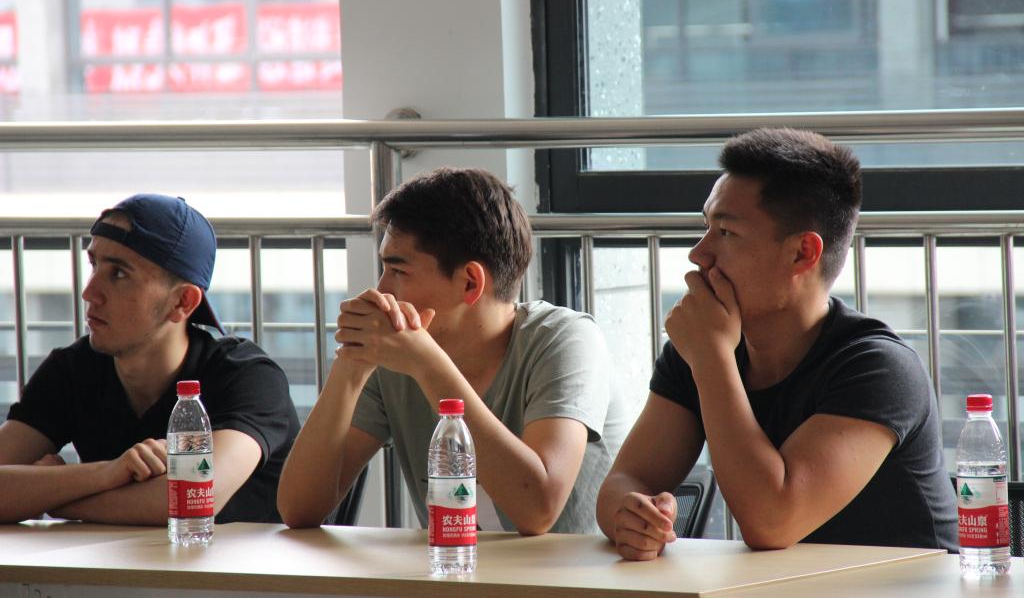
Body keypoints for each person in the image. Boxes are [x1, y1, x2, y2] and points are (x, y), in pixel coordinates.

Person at [597, 128, 957, 558]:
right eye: (705, 226)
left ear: (802, 253)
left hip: (905, 587)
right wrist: (632, 516)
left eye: (726, 232)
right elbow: (625, 482)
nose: (698, 253)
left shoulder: (879, 368)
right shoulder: (702, 350)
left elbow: (773, 521)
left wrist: (711, 357)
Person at [279, 167, 627, 535]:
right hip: (453, 569)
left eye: (398, 271)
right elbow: (299, 509)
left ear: (470, 282)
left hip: (573, 571)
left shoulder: (565, 340)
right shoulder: (396, 358)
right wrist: (351, 365)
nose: (381, 290)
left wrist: (428, 365)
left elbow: (537, 510)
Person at [0, 194, 299, 524]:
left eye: (119, 274)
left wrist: (54, 499)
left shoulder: (247, 376)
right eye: (94, 265)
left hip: (248, 559)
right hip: (125, 558)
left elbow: (192, 498)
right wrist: (106, 473)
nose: (89, 292)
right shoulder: (72, 369)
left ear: (182, 302)